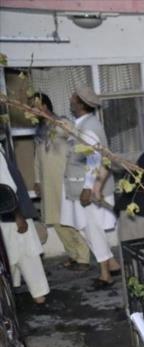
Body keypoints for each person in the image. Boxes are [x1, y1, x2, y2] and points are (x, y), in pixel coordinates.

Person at [60, 86, 121, 288]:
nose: (70, 98)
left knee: (92, 229)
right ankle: (111, 264)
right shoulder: (82, 124)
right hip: (80, 186)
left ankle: (105, 274)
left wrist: (88, 188)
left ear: (80, 103)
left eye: (73, 97)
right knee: (88, 229)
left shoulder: (89, 127)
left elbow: (95, 159)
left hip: (90, 188)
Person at [32, 93, 92, 271]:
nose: (32, 109)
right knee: (55, 220)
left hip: (63, 180)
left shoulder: (62, 123)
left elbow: (77, 138)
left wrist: (53, 120)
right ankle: (73, 255)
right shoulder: (39, 130)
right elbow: (37, 159)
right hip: (47, 182)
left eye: (36, 105)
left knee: (67, 219)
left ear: (45, 106)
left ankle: (83, 257)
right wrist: (37, 181)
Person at [0, 149, 49, 304]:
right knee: (28, 254)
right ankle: (38, 296)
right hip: (10, 212)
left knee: (11, 254)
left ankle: (13, 293)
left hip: (6, 213)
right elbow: (6, 186)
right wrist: (17, 215)